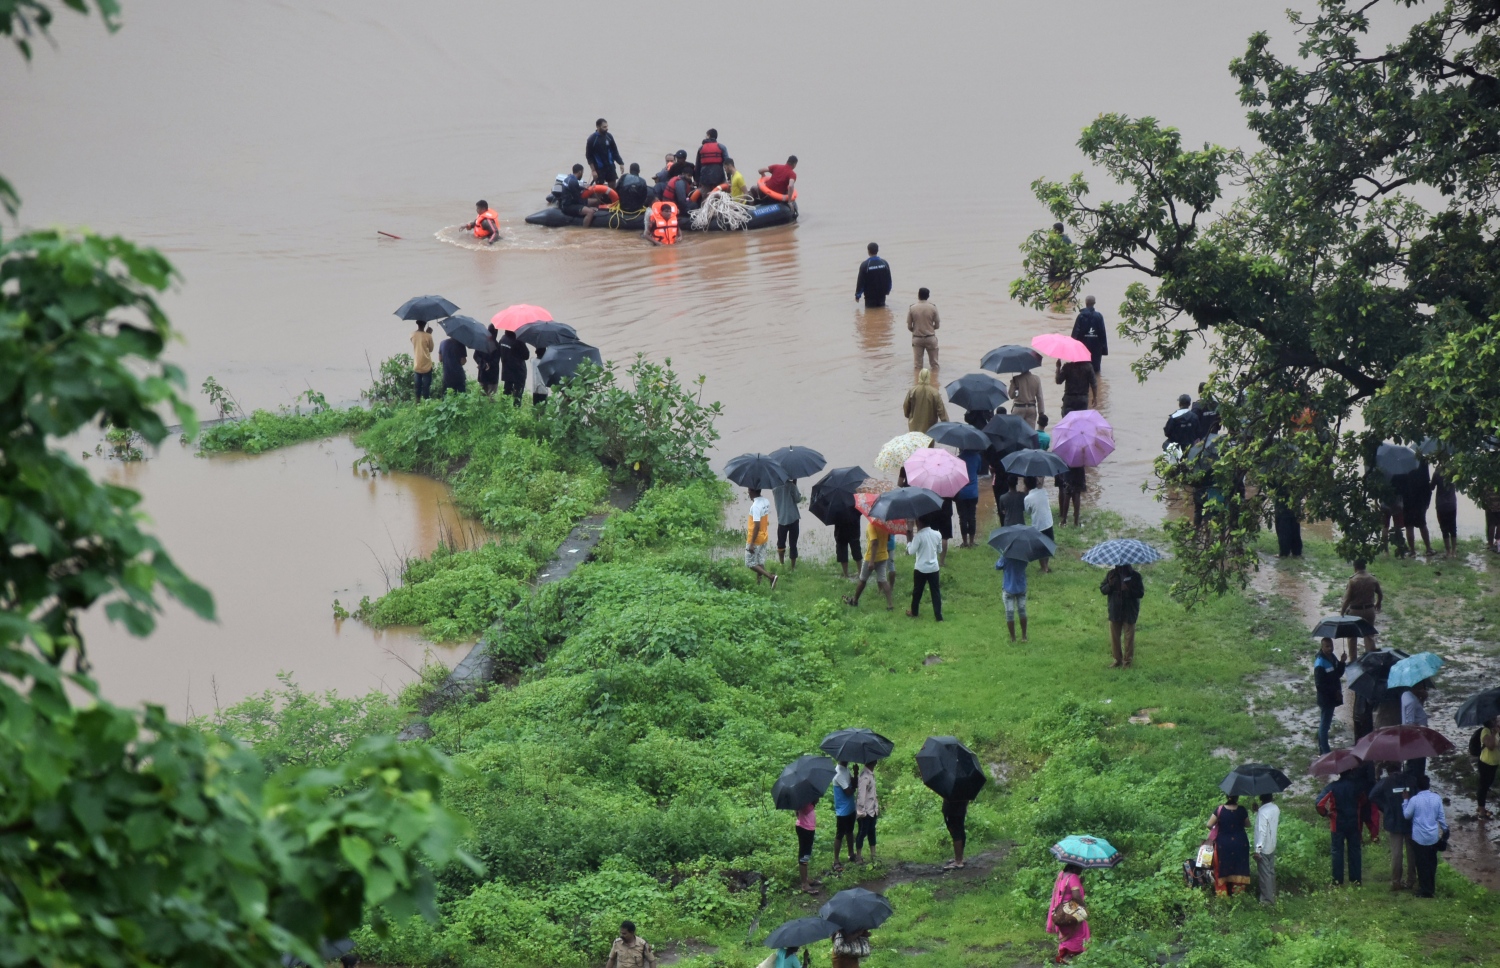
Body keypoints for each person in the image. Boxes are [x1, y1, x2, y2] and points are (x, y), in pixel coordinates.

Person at [1371, 763, 1419, 889]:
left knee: (1397, 854)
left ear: (1387, 770)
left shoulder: (1385, 782)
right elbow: (1417, 796)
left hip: (1393, 822)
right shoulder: (1411, 780)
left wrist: (1385, 807)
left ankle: (1396, 881)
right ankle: (1411, 879)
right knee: (1411, 852)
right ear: (1401, 766)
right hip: (1409, 822)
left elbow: (1372, 795)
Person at [1402, 774, 1449, 897]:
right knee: (1431, 863)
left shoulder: (1414, 800)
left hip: (1419, 838)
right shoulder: (1436, 798)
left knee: (1421, 864)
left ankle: (1424, 889)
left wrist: (1405, 800)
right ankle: (1431, 888)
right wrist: (1445, 830)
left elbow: (1407, 815)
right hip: (1433, 836)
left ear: (1417, 786)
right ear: (1429, 785)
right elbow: (1441, 817)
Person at [1318, 768, 1365, 885]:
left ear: (1339, 773)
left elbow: (1319, 804)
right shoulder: (1357, 786)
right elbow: (1364, 800)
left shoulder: (1332, 786)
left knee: (1337, 852)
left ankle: (1337, 881)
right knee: (1355, 850)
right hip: (1354, 822)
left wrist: (1325, 813)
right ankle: (1356, 880)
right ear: (1351, 771)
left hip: (1337, 823)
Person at [1100, 563, 1144, 668]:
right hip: (1115, 610)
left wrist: (1128, 589)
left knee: (1129, 638)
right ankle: (1117, 660)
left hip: (1129, 611)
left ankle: (1127, 662)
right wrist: (1110, 585)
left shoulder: (1135, 576)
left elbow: (1140, 593)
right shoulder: (1111, 574)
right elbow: (1102, 589)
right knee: (1114, 637)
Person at [844, 518, 894, 610]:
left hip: (871, 557)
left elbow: (874, 542)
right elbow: (888, 538)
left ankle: (854, 601)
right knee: (883, 580)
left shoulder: (871, 525)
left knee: (862, 580)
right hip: (883, 556)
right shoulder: (886, 524)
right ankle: (890, 605)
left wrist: (871, 561)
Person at [1045, 863, 1089, 963]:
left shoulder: (1062, 874)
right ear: (1074, 867)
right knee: (1080, 930)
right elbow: (1076, 896)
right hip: (1071, 908)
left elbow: (1065, 889)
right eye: (1080, 868)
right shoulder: (1073, 877)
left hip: (1060, 909)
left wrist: (1079, 882)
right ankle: (1069, 956)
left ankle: (1064, 954)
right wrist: (1083, 908)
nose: (1081, 870)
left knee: (1065, 931)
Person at [1207, 795, 1250, 896]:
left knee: (1221, 868)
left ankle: (1223, 896)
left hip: (1224, 844)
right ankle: (1239, 895)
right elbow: (1248, 825)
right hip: (1240, 843)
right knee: (1239, 867)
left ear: (1227, 796)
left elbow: (1209, 824)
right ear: (1237, 797)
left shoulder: (1219, 809)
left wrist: (1217, 826)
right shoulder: (1242, 810)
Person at [1339, 560, 1382, 654]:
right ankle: (1370, 659)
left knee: (1352, 636)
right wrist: (1378, 602)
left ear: (1355, 568)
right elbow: (1380, 593)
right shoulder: (1373, 579)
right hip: (1369, 610)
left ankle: (1353, 660)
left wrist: (1342, 611)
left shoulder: (1353, 581)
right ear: (1365, 567)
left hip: (1355, 611)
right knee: (1369, 635)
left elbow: (1347, 599)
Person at [1313, 637, 1348, 754]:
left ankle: (1322, 749)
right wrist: (1334, 692)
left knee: (1325, 723)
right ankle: (1325, 752)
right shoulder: (1320, 663)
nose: (1330, 648)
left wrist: (1342, 662)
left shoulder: (1332, 657)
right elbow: (1320, 685)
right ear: (1322, 647)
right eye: (1327, 646)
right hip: (1326, 698)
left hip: (1332, 696)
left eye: (1331, 646)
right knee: (1324, 726)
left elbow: (1337, 674)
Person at [906, 515, 943, 621]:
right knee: (935, 592)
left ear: (919, 523)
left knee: (917, 592)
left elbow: (911, 551)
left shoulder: (919, 536)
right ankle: (938, 616)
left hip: (920, 569)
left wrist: (909, 541)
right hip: (934, 568)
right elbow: (939, 550)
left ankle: (914, 612)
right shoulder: (937, 534)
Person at [906, 288, 940, 384]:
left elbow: (909, 326)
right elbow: (937, 325)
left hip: (917, 338)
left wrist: (916, 331)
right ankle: (935, 384)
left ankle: (918, 385)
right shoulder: (933, 307)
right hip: (930, 337)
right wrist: (930, 328)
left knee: (917, 366)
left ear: (918, 295)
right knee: (934, 364)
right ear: (928, 296)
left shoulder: (912, 308)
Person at [744, 488, 777, 588]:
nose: (748, 493)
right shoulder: (765, 501)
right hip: (764, 537)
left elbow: (756, 525)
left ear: (753, 491)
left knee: (749, 563)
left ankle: (771, 577)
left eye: (749, 491)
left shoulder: (755, 506)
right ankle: (758, 584)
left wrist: (752, 543)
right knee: (759, 562)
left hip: (756, 539)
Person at [1400, 462, 1435, 556]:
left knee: (1409, 526)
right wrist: (1427, 502)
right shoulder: (1423, 462)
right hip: (1420, 499)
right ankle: (1428, 549)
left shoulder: (1403, 462)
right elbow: (1427, 483)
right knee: (1422, 524)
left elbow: (1400, 482)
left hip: (1407, 499)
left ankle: (1412, 551)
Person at [1070, 295, 1109, 373]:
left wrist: (1072, 349)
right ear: (1094, 303)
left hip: (1083, 347)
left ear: (1086, 303)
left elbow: (1075, 333)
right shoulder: (1099, 316)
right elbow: (1102, 333)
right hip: (1096, 348)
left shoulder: (1081, 316)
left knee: (1082, 370)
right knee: (1095, 371)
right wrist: (1104, 350)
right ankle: (1096, 384)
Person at [902, 368, 949, 433]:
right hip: (930, 428)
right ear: (929, 377)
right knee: (928, 442)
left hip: (914, 427)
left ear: (919, 376)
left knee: (915, 442)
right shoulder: (934, 392)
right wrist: (947, 425)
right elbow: (941, 411)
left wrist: (909, 416)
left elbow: (906, 406)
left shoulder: (912, 391)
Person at [1253, 793, 1279, 904]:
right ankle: (1273, 893)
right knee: (1271, 871)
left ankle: (1267, 900)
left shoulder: (1263, 812)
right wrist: (1258, 811)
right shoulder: (1275, 808)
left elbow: (1262, 831)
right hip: (1272, 844)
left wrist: (1258, 850)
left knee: (1265, 875)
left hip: (1263, 847)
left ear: (1260, 798)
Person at [1024, 476, 1054, 572]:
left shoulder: (1027, 498)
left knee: (1040, 547)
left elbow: (1028, 511)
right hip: (1048, 523)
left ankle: (1043, 567)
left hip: (1038, 525)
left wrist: (1026, 494)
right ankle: (1046, 566)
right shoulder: (1043, 492)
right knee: (1048, 544)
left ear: (1026, 486)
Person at [832, 762, 858, 871]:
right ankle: (836, 861)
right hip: (842, 811)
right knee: (840, 834)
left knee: (850, 831)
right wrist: (854, 788)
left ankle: (851, 854)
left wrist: (856, 774)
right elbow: (848, 791)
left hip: (850, 808)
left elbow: (853, 783)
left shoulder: (846, 769)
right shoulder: (838, 773)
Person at [1401, 681, 1430, 776]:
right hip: (1417, 737)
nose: (1424, 689)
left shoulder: (1406, 695)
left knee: (1412, 762)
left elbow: (1416, 713)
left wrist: (1422, 700)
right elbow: (1410, 722)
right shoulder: (1411, 701)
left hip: (1414, 736)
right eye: (1422, 686)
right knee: (1417, 765)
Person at [772, 477, 802, 569]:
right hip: (793, 518)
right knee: (793, 543)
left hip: (782, 519)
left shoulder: (775, 487)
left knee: (781, 543)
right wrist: (795, 484)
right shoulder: (791, 486)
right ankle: (793, 567)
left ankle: (782, 564)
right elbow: (798, 499)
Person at [956, 448, 982, 548]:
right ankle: (972, 542)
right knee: (972, 517)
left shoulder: (958, 459)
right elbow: (978, 471)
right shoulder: (977, 457)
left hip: (961, 493)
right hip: (973, 493)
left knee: (962, 518)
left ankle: (965, 542)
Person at [999, 551, 1028, 643]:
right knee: (1022, 611)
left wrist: (1003, 555)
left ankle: (1013, 638)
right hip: (1021, 587)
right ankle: (1024, 636)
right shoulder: (1023, 556)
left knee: (1009, 613)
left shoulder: (1006, 556)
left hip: (1008, 588)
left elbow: (998, 566)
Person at [585, 119, 624, 187]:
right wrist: (593, 170)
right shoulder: (592, 139)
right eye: (604, 127)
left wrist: (621, 163)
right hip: (599, 168)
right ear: (598, 127)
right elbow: (589, 156)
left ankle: (610, 198)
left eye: (607, 126)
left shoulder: (609, 136)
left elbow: (615, 151)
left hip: (610, 166)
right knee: (599, 187)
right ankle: (599, 197)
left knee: (612, 184)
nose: (606, 129)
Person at [854, 243, 893, 308]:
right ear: (877, 250)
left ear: (868, 251)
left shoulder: (865, 265)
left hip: (870, 296)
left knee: (870, 313)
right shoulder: (884, 263)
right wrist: (888, 290)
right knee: (882, 312)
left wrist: (858, 295)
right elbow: (889, 279)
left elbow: (860, 282)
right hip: (882, 295)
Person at [854, 761, 878, 863]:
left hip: (872, 809)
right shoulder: (864, 777)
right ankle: (859, 856)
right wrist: (861, 812)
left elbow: (873, 793)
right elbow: (861, 795)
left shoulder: (871, 775)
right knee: (862, 833)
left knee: (872, 832)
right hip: (865, 811)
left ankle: (873, 855)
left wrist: (876, 807)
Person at [496, 329, 529, 405]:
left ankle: (504, 409)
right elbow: (526, 355)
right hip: (518, 371)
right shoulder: (518, 341)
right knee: (518, 394)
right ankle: (516, 410)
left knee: (507, 392)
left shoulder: (503, 339)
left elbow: (499, 352)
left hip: (507, 371)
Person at [1476, 714, 1499, 821]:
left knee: (1487, 784)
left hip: (1494, 763)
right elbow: (1490, 746)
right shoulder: (1485, 731)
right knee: (1483, 787)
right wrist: (1494, 733)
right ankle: (1481, 811)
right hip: (1485, 763)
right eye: (1494, 719)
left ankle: (1481, 808)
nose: (1496, 720)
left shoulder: (1495, 731)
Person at [794, 797, 818, 894]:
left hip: (807, 828)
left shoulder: (803, 797)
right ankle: (804, 884)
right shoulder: (802, 800)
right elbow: (807, 810)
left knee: (806, 854)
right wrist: (814, 801)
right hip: (805, 829)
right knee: (804, 856)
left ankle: (806, 879)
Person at [1433, 469, 1459, 557]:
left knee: (1444, 529)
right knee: (1453, 528)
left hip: (1441, 505)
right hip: (1452, 504)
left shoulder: (1437, 473)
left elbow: (1431, 487)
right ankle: (1454, 551)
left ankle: (1448, 551)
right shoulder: (1453, 472)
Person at [832, 508, 863, 579]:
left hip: (844, 529)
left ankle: (848, 574)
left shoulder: (836, 502)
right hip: (851, 528)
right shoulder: (855, 499)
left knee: (853, 550)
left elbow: (832, 516)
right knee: (854, 550)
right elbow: (860, 512)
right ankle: (857, 572)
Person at [941, 794, 968, 869]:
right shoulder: (965, 783)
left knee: (956, 832)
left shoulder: (951, 784)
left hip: (953, 807)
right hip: (961, 806)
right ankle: (959, 857)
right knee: (960, 830)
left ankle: (958, 861)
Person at [410, 321, 434, 401]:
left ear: (417, 324)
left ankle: (418, 403)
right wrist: (429, 334)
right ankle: (426, 403)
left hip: (417, 364)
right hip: (427, 364)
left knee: (417, 387)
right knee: (426, 387)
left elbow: (416, 343)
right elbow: (431, 349)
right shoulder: (428, 336)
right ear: (425, 324)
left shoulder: (413, 335)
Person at [474, 325, 500, 397]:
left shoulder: (481, 342)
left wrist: (482, 363)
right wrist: (489, 365)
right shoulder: (497, 345)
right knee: (492, 398)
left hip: (482, 374)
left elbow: (475, 356)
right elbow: (496, 360)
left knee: (482, 397)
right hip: (493, 376)